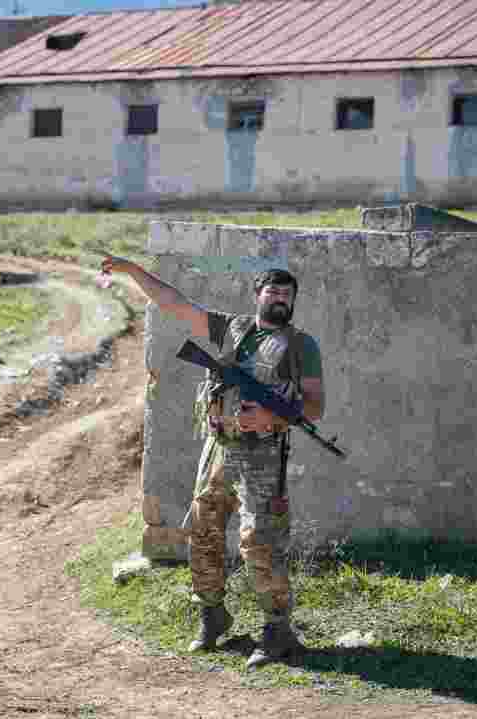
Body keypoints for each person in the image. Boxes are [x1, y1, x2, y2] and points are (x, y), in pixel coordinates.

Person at [99, 255, 325, 669]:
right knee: (202, 530)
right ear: (257, 295)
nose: (279, 298)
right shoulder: (233, 328)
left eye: (286, 294)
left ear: (293, 302)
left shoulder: (300, 345)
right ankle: (213, 615)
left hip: (263, 455)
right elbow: (174, 303)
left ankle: (278, 631)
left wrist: (272, 416)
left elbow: (315, 405)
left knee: (259, 540)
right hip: (220, 448)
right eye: (272, 291)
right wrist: (132, 272)